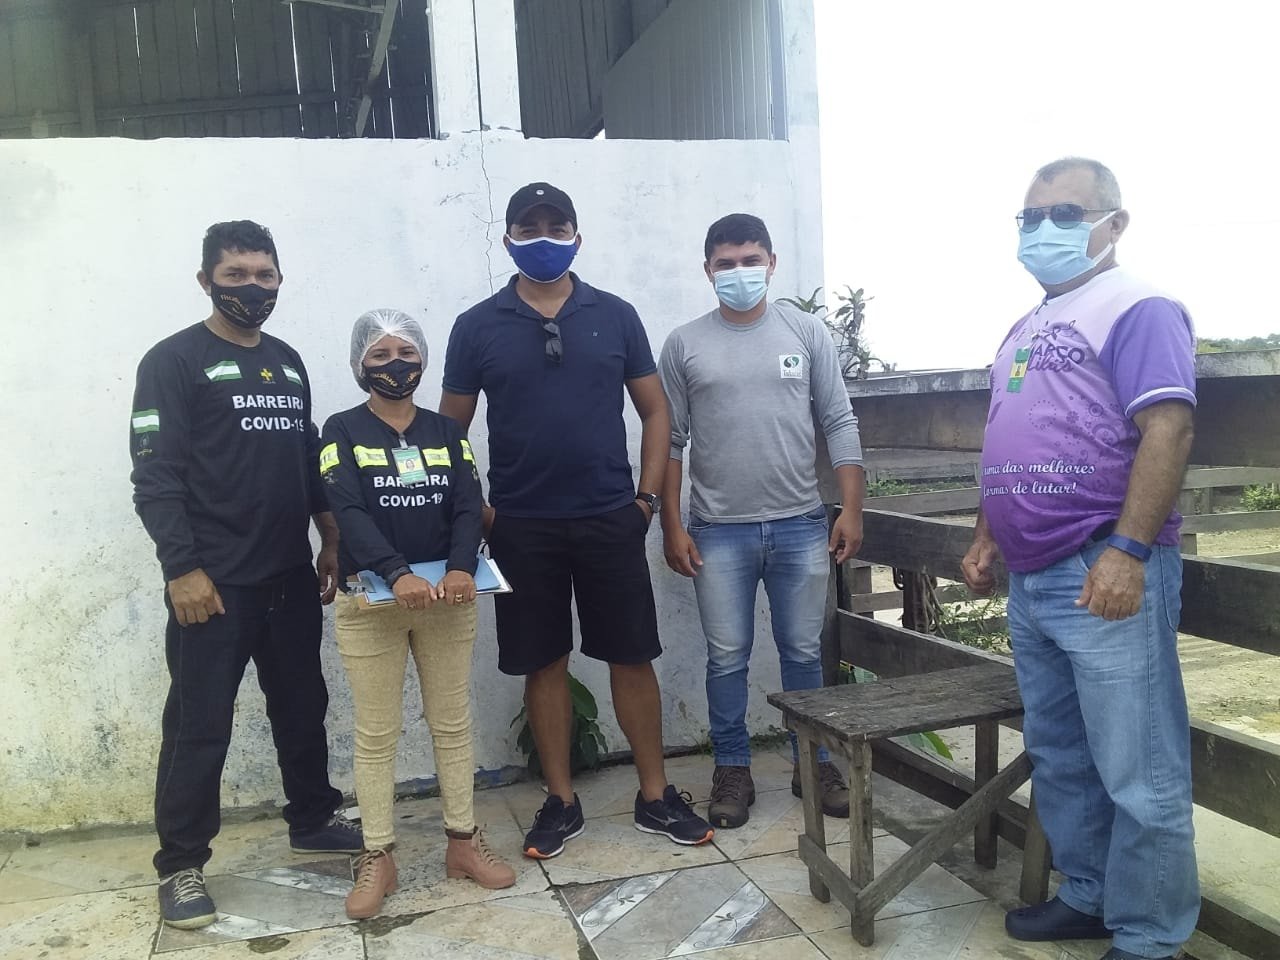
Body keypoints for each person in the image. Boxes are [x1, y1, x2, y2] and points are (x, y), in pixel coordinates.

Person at [961, 158, 1199, 960]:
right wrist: (987, 534)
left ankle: (1152, 934)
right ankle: (1091, 894)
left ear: (1113, 224)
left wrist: (1128, 551)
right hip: (1033, 577)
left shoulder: (1138, 307)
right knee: (1062, 753)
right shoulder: (1025, 325)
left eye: (1065, 214)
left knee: (1140, 765)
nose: (1043, 230)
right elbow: (1006, 435)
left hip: (1102, 565)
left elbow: (1169, 428)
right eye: (1030, 218)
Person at [439, 182, 714, 859]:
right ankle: (560, 801)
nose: (543, 238)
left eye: (555, 226)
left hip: (609, 519)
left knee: (632, 655)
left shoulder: (615, 316)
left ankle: (655, 795)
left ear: (577, 236)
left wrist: (645, 502)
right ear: (508, 239)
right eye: (528, 227)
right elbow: (447, 434)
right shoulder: (476, 326)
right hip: (521, 526)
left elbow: (656, 410)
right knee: (544, 663)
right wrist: (483, 510)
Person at [129, 220, 362, 931]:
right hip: (214, 583)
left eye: (265, 275)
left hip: (289, 574)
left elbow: (308, 460)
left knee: (301, 705)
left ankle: (313, 818)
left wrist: (330, 536)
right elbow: (155, 477)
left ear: (279, 280)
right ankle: (181, 865)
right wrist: (182, 569)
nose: (252, 288)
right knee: (199, 725)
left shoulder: (287, 362)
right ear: (206, 281)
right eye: (236, 276)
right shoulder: (173, 361)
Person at [658, 214, 865, 828]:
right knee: (726, 657)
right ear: (708, 271)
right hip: (718, 530)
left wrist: (851, 508)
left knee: (803, 652)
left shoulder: (806, 332)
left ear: (771, 263)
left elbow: (839, 420)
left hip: (801, 524)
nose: (739, 272)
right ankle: (732, 768)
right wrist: (671, 525)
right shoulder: (684, 344)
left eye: (751, 260)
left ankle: (815, 762)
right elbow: (671, 441)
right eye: (726, 263)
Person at [320, 309, 517, 919]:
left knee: (452, 724)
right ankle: (377, 854)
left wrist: (461, 567)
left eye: (406, 353)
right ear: (360, 364)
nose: (395, 365)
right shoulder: (340, 430)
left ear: (423, 360)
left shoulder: (446, 430)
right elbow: (347, 511)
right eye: (380, 355)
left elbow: (467, 502)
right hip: (371, 601)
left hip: (448, 600)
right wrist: (396, 572)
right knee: (377, 733)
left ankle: (463, 841)